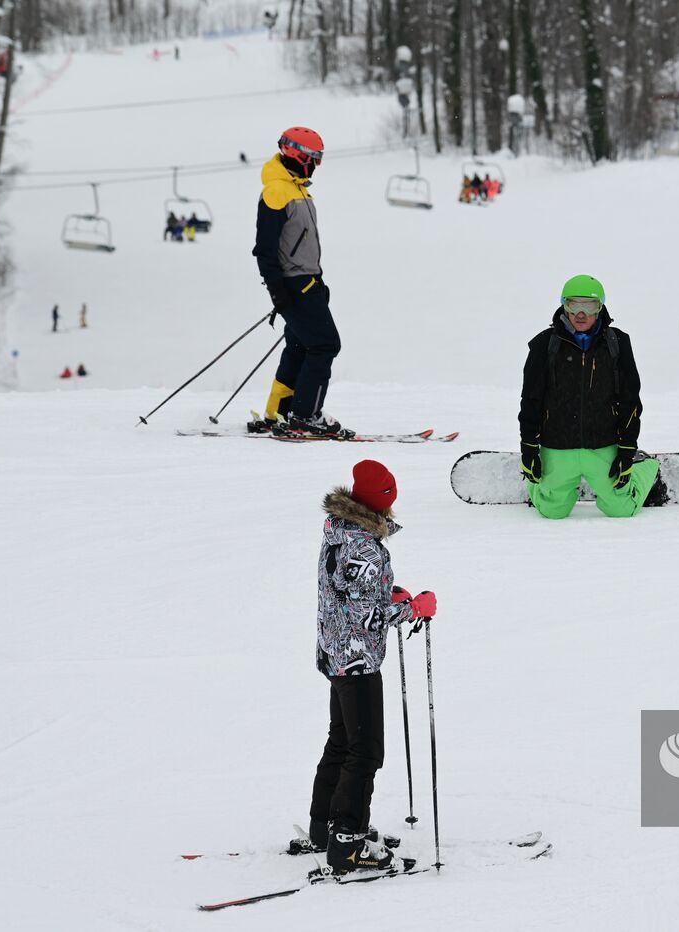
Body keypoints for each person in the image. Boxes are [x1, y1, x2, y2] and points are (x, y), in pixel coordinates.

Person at [307, 460, 437, 876]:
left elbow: (349, 593)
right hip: (357, 658)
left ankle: (325, 827)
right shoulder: (364, 546)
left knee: (342, 741)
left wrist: (388, 594)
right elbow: (368, 614)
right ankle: (348, 843)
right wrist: (412, 608)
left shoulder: (340, 531)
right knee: (366, 752)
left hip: (335, 652)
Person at [519, 274, 666, 517]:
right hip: (557, 443)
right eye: (573, 305)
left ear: (600, 308)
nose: (580, 313)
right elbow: (531, 401)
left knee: (622, 509)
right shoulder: (544, 344)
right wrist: (529, 449)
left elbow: (630, 401)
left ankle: (644, 466)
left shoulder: (617, 343)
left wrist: (627, 451)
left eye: (589, 306)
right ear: (564, 305)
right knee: (551, 511)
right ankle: (542, 484)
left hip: (603, 443)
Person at [253, 125, 350, 437]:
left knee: (299, 345)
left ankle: (278, 412)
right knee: (325, 345)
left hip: (307, 283)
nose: (316, 166)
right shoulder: (277, 191)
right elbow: (265, 250)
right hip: (294, 284)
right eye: (315, 159)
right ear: (300, 156)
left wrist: (318, 284)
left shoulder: (297, 189)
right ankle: (307, 415)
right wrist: (277, 290)